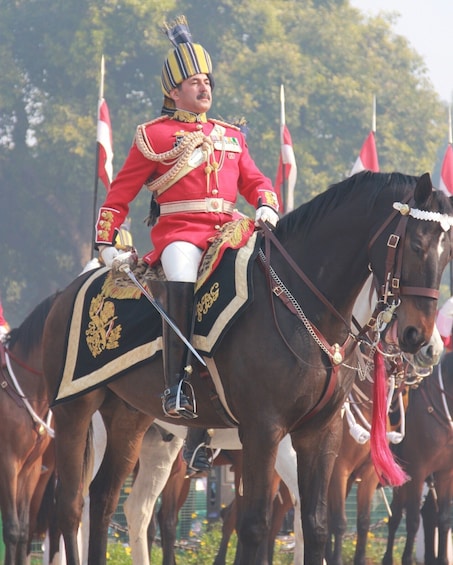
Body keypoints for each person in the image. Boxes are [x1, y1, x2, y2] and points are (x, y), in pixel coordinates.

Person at [94, 15, 279, 472]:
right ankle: (176, 383)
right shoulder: (152, 136)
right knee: (180, 271)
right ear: (174, 91)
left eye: (207, 81)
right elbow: (120, 194)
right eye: (194, 82)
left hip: (230, 229)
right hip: (179, 235)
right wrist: (105, 240)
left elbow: (255, 180)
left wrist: (266, 203)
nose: (204, 88)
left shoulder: (231, 135)